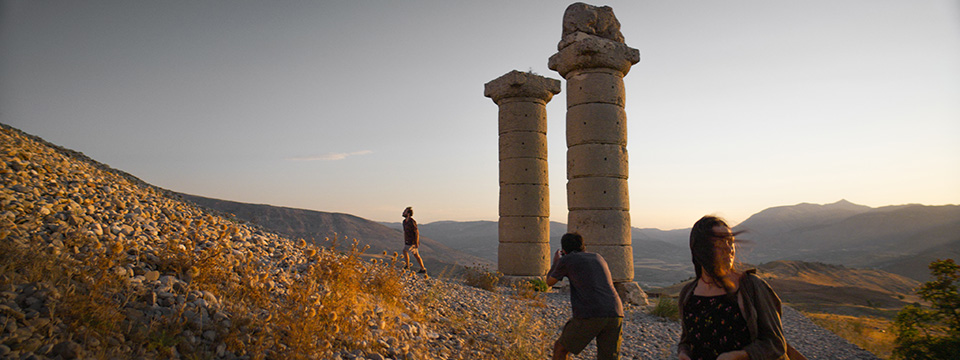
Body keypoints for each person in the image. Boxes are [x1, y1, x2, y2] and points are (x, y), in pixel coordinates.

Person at [677, 215, 789, 360]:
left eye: (730, 242)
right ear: (700, 250)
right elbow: (686, 340)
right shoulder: (688, 293)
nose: (729, 249)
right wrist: (683, 353)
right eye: (719, 243)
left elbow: (776, 344)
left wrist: (741, 355)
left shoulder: (751, 287)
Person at [546, 232, 624, 360]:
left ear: (564, 250)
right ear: (583, 246)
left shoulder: (567, 259)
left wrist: (556, 262)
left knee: (560, 348)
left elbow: (549, 282)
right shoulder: (598, 257)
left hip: (591, 312)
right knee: (609, 357)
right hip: (616, 311)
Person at [401, 206, 426, 274]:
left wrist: (416, 242)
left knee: (405, 251)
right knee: (416, 255)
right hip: (407, 240)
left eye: (405, 211)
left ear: (408, 213)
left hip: (412, 242)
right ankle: (423, 268)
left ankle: (407, 266)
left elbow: (416, 232)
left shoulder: (412, 222)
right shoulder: (404, 222)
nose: (403, 212)